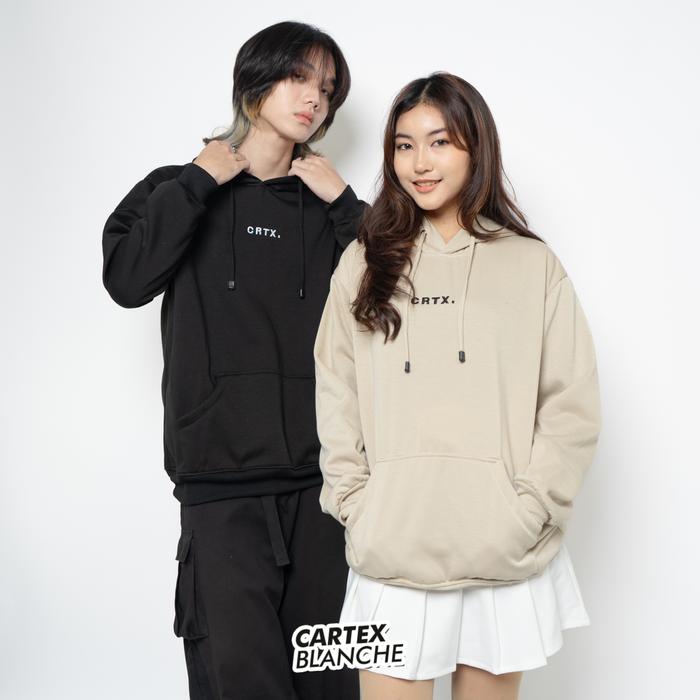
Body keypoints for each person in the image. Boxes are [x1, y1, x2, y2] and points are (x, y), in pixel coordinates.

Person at [313, 71, 601, 700]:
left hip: (503, 550)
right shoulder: (363, 262)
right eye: (404, 145)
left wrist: (532, 509)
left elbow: (570, 404)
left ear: (477, 147)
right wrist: (355, 503)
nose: (419, 163)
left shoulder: (532, 264)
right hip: (390, 549)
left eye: (439, 142)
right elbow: (336, 392)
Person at [102, 21, 366, 700]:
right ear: (254, 81)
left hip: (325, 492)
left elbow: (397, 306)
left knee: (331, 687)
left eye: (327, 89)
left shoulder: (330, 208)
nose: (314, 98)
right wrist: (198, 181)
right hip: (220, 489)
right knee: (238, 684)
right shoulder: (177, 187)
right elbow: (126, 279)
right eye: (299, 77)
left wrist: (345, 206)